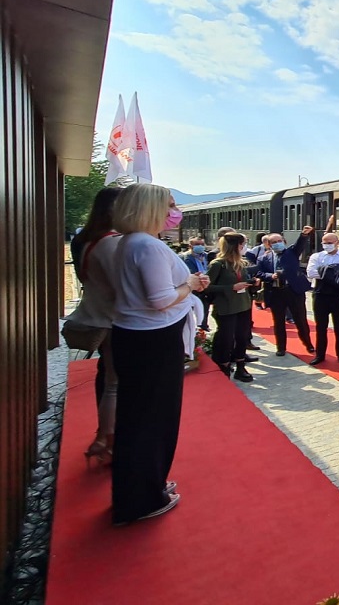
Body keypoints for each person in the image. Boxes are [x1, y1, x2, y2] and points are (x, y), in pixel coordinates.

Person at [110, 184, 208, 524]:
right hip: (152, 340)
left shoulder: (131, 242)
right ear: (149, 208)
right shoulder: (147, 246)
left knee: (140, 418)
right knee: (152, 420)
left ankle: (142, 486)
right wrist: (191, 286)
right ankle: (143, 499)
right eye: (169, 205)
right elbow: (161, 299)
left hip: (138, 337)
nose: (174, 210)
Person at [65, 186, 123, 465]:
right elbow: (124, 287)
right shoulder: (112, 243)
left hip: (97, 314)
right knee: (114, 384)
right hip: (113, 320)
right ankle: (108, 439)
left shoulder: (86, 240)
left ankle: (105, 435)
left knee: (109, 380)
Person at [204, 233, 258, 383]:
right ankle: (223, 366)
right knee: (226, 338)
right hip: (226, 307)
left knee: (242, 337)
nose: (244, 247)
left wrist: (252, 284)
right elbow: (206, 287)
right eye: (242, 244)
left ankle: (241, 366)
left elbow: (243, 281)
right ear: (235, 246)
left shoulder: (241, 263)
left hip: (243, 305)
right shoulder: (218, 264)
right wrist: (231, 287)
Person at [256, 228, 316, 357]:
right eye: (274, 242)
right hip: (276, 292)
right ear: (269, 244)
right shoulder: (263, 258)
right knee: (278, 322)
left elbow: (300, 243)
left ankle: (308, 344)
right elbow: (259, 273)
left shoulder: (291, 252)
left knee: (300, 320)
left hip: (294, 291)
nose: (277, 243)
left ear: (284, 241)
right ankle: (281, 347)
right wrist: (270, 276)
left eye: (279, 241)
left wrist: (304, 234)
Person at [307, 231, 339, 366]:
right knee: (321, 326)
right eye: (324, 243)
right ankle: (320, 354)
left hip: (338, 295)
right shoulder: (316, 256)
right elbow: (311, 272)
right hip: (320, 294)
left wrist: (324, 271)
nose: (327, 245)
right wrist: (335, 274)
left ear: (338, 243)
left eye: (330, 243)